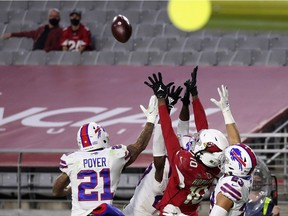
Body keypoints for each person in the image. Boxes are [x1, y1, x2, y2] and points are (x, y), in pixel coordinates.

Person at [144, 72, 240, 216]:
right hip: (192, 212)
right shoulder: (215, 169)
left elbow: (167, 131)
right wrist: (194, 96)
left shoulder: (184, 162)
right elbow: (203, 128)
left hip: (171, 211)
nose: (196, 141)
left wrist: (161, 101)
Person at [123, 66, 211, 215]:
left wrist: (164, 104)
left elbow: (163, 136)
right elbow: (183, 129)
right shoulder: (189, 164)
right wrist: (186, 102)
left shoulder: (167, 167)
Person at [52, 95, 158, 216]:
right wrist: (151, 119)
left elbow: (56, 191)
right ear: (100, 136)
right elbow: (139, 146)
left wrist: (71, 188)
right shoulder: (113, 156)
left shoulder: (72, 160)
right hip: (104, 214)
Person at [209, 143, 257, 216]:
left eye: (226, 159)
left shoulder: (229, 187)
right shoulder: (245, 177)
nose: (223, 161)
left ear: (233, 165)